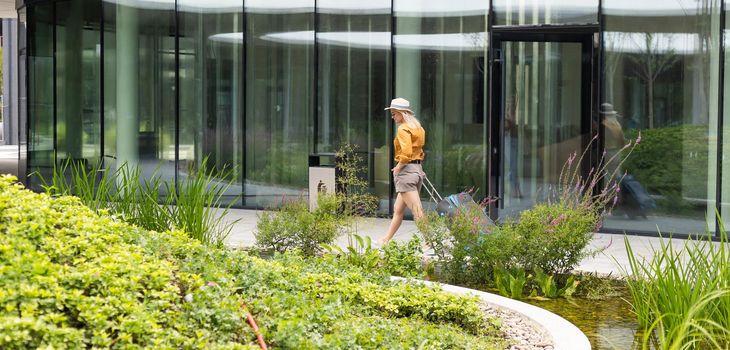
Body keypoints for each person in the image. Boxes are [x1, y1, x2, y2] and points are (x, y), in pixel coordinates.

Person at [380, 97, 426, 245]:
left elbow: (406, 153)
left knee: (417, 212)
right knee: (398, 210)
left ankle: (430, 241)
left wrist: (398, 167)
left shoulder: (403, 129)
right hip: (416, 170)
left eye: (394, 114)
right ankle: (386, 239)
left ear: (401, 113)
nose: (392, 117)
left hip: (406, 172)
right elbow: (418, 150)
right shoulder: (418, 128)